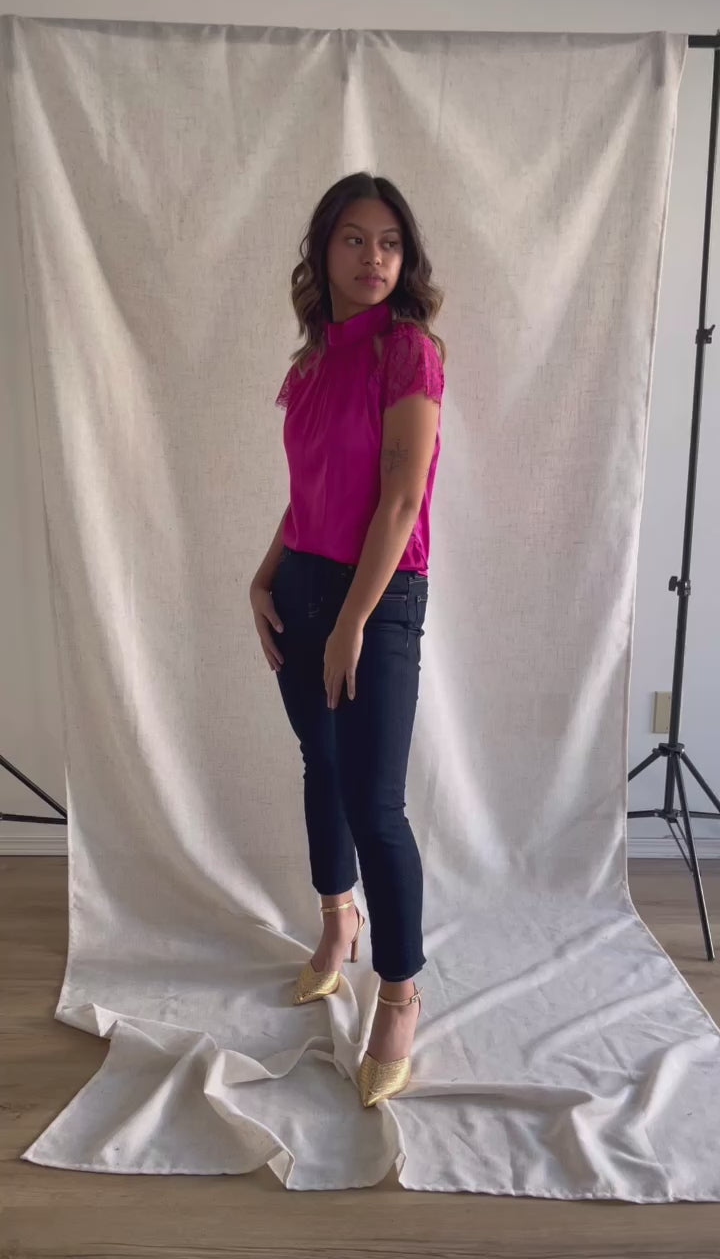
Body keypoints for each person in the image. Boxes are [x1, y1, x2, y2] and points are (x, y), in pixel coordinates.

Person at [249, 171, 446, 1106]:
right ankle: (338, 923)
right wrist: (263, 576)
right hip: (303, 583)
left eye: (390, 243)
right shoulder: (310, 365)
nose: (374, 257)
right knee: (319, 767)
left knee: (376, 804)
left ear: (406, 259)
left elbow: (400, 498)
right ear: (323, 250)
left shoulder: (408, 353)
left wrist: (354, 623)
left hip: (382, 593)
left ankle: (399, 993)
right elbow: (308, 495)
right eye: (355, 239)